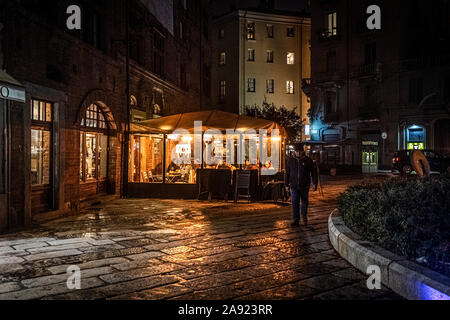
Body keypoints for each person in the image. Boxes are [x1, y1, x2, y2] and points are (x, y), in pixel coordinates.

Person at [285, 143, 318, 227]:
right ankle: (296, 219)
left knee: (304, 202)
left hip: (304, 185)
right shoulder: (291, 160)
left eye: (300, 151)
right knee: (295, 202)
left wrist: (314, 183)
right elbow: (287, 173)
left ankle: (304, 217)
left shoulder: (308, 160)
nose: (298, 153)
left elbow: (314, 172)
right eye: (297, 151)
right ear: (294, 151)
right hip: (294, 185)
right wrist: (286, 184)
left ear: (303, 151)